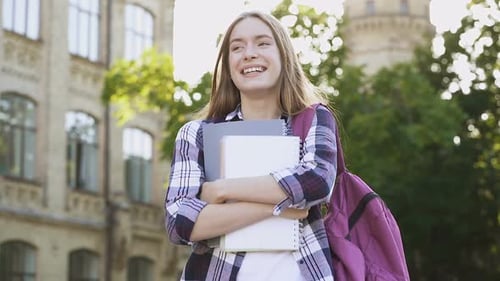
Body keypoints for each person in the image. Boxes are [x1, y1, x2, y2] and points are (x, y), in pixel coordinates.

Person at [165, 10, 338, 281]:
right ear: (228, 63)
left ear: (284, 56)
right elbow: (180, 223)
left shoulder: (314, 118)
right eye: (237, 47)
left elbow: (317, 182)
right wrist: (280, 206)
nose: (249, 53)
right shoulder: (196, 134)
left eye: (262, 43)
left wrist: (221, 190)